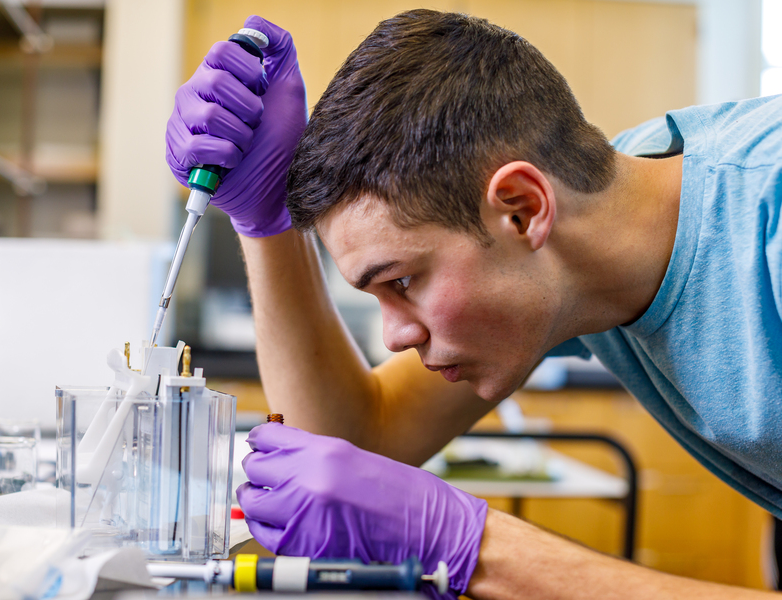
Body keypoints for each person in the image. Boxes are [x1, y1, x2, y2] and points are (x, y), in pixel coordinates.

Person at [165, 10, 782, 599]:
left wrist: (472, 548)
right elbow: (356, 442)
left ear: (522, 207)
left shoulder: (767, 223)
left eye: (402, 281)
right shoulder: (594, 231)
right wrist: (264, 224)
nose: (395, 338)